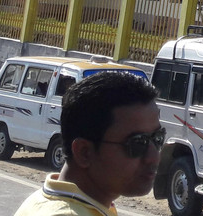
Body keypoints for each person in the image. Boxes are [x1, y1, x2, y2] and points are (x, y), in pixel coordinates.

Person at [13, 71, 162, 216]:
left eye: (158, 138)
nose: (154, 157)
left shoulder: (47, 201)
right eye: (138, 143)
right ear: (84, 152)